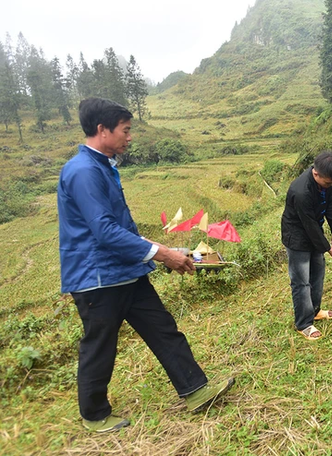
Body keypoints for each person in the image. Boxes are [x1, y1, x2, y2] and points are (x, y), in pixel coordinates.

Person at [57, 98, 234, 433]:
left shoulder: (103, 166)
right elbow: (104, 231)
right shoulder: (82, 172)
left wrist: (164, 250)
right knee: (100, 344)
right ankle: (94, 415)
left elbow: (120, 228)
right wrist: (162, 254)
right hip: (98, 277)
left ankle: (196, 391)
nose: (130, 137)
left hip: (125, 271)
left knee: (163, 329)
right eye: (125, 130)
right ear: (102, 130)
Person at [281, 151, 332, 340]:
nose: (329, 186)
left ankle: (315, 310)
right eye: (327, 183)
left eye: (331, 183)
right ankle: (304, 323)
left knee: (318, 274)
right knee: (301, 281)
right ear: (316, 174)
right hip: (297, 235)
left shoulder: (326, 183)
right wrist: (328, 248)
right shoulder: (301, 191)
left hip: (314, 231)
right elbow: (308, 225)